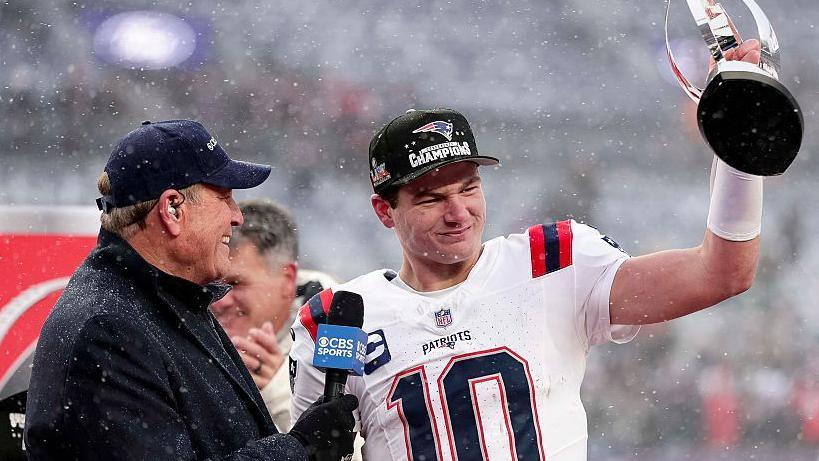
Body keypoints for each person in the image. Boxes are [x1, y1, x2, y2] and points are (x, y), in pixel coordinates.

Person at [290, 42, 764, 460]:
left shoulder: (551, 262)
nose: (458, 213)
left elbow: (721, 274)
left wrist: (740, 155)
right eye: (432, 198)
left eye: (469, 188)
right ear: (385, 210)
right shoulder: (339, 320)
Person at [24, 120, 357, 461]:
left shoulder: (168, 298)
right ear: (172, 209)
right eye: (225, 197)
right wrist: (300, 449)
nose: (237, 216)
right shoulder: (107, 330)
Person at [211, 200, 339, 431]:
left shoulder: (342, 330)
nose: (219, 301)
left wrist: (277, 391)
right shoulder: (187, 319)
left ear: (287, 280)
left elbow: (358, 450)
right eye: (212, 285)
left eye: (236, 284)